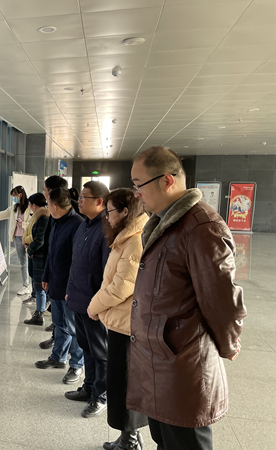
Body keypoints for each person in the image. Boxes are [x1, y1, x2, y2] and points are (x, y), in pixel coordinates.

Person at [128, 146, 246, 450]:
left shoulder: (201, 227)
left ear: (167, 181)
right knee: (165, 441)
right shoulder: (164, 222)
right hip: (160, 362)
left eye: (139, 184)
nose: (136, 194)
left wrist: (229, 344)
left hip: (184, 366)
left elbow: (222, 302)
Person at [87, 188, 149, 450]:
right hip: (121, 322)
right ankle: (130, 436)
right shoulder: (126, 236)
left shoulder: (134, 240)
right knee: (122, 383)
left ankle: (130, 441)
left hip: (126, 326)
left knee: (124, 384)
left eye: (110, 211)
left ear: (125, 212)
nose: (107, 217)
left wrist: (94, 306)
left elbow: (122, 286)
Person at [64, 181, 111, 418]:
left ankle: (100, 396)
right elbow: (76, 263)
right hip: (78, 298)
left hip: (95, 304)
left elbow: (107, 273)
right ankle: (89, 387)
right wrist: (69, 290)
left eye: (84, 197)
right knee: (87, 347)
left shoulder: (106, 229)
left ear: (100, 202)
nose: (79, 201)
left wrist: (99, 304)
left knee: (100, 352)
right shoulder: (84, 225)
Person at [35, 188, 85, 385]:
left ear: (54, 206)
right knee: (59, 324)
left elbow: (78, 261)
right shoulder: (56, 221)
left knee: (74, 328)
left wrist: (71, 288)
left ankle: (77, 365)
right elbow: (51, 251)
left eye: (48, 204)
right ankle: (58, 357)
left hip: (69, 287)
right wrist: (46, 275)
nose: (47, 207)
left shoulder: (77, 224)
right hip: (55, 282)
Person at [0, 186, 31, 295]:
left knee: (32, 263)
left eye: (14, 196)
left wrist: (22, 224)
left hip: (29, 238)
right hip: (18, 238)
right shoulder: (13, 208)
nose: (13, 198)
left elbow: (33, 224)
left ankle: (36, 288)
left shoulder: (30, 207)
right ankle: (26, 285)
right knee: (23, 263)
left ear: (20, 195)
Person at [39, 175, 70, 350]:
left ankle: (66, 355)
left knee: (67, 322)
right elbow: (51, 248)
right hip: (54, 274)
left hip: (66, 280)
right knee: (58, 318)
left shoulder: (74, 221)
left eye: (45, 190)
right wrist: (46, 274)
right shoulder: (56, 217)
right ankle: (58, 350)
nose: (44, 193)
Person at [22, 193, 50, 325]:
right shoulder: (39, 216)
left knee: (40, 287)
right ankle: (39, 312)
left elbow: (39, 239)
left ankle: (39, 314)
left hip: (40, 257)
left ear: (34, 205)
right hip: (37, 255)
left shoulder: (43, 217)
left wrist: (30, 249)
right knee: (39, 286)